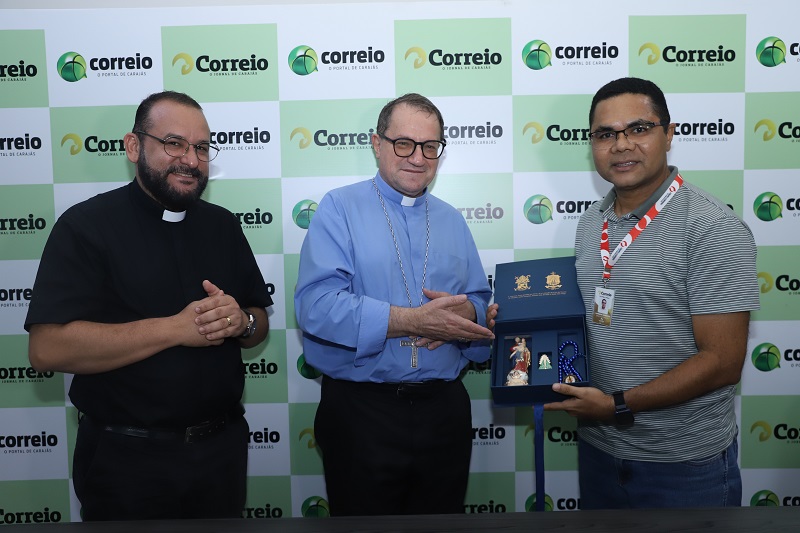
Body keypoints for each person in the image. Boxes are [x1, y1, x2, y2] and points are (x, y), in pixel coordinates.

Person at [488, 77, 759, 508]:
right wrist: (516, 324)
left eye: (639, 128)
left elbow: (722, 362)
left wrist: (616, 404)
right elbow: (582, 321)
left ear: (669, 134)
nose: (621, 144)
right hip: (600, 450)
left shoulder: (711, 227)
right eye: (605, 134)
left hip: (685, 466)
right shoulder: (590, 223)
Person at [25, 91, 273, 521]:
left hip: (221, 454)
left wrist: (242, 322)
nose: (191, 160)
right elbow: (46, 349)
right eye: (174, 143)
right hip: (125, 461)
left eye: (201, 148)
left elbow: (258, 324)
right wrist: (176, 329)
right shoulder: (85, 226)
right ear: (134, 146)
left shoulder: (223, 225)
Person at [294, 93, 494, 516]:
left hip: (444, 412)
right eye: (404, 143)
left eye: (430, 147)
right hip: (363, 412)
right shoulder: (338, 208)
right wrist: (411, 321)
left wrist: (470, 316)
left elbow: (478, 299)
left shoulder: (452, 219)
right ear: (377, 143)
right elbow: (316, 307)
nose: (417, 158)